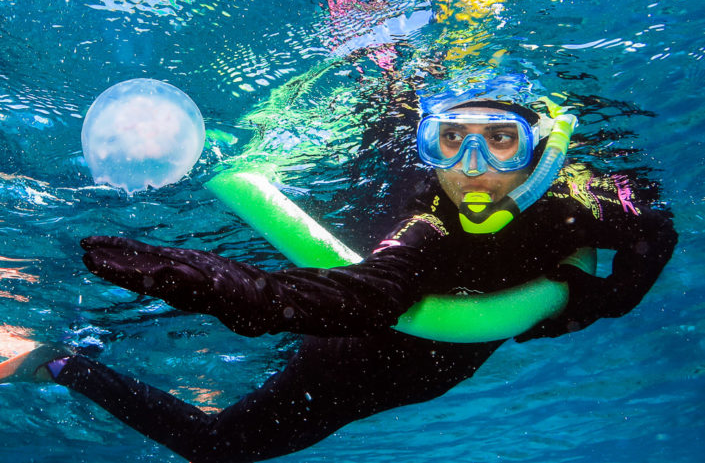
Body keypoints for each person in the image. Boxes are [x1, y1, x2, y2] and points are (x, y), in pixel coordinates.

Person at [8, 96, 676, 463]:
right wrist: (185, 275)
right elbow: (349, 299)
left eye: (499, 140)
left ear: (541, 149)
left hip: (429, 369)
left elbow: (654, 230)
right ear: (429, 143)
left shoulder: (577, 203)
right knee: (218, 446)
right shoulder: (429, 223)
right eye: (451, 140)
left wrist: (600, 299)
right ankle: (61, 362)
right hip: (352, 361)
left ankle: (96, 362)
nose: (471, 166)